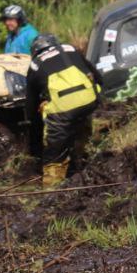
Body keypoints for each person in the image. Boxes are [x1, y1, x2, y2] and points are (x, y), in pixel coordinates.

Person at [26, 34, 101, 188]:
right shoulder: (70, 49)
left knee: (54, 155)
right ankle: (81, 159)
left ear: (35, 51)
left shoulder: (35, 65)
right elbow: (97, 75)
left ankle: (51, 193)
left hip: (64, 109)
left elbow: (31, 106)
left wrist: (35, 140)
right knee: (80, 121)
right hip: (90, 100)